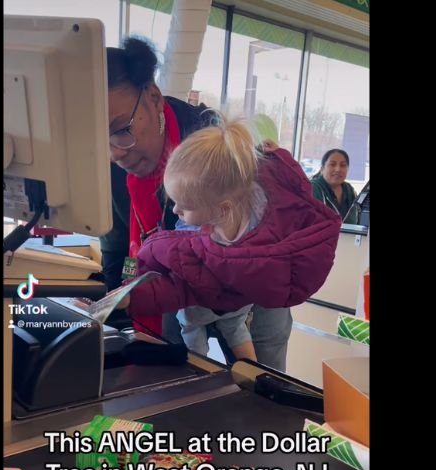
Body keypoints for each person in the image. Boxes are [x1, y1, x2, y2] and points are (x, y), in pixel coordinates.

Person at [100, 36, 295, 371]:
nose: (114, 152)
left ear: (153, 98)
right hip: (178, 284)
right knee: (177, 371)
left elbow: (265, 236)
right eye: (98, 136)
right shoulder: (114, 163)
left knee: (264, 379)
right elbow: (116, 245)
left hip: (251, 280)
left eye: (121, 129)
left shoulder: (209, 140)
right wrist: (106, 307)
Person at [121, 116, 340, 337]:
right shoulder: (250, 187)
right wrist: (278, 157)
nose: (175, 210)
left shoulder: (225, 255)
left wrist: (133, 298)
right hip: (251, 292)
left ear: (221, 210)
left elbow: (182, 288)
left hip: (230, 296)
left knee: (197, 327)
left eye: (185, 206)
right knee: (237, 331)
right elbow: (297, 185)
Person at [173, 220, 255, 363]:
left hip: (199, 299)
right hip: (239, 294)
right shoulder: (244, 216)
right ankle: (256, 375)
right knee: (236, 327)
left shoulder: (191, 223)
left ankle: (201, 372)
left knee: (191, 329)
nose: (176, 210)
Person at [310, 149, 360, 224]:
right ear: (322, 168)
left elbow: (358, 220)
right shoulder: (312, 188)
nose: (338, 169)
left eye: (343, 165)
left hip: (349, 235)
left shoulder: (350, 190)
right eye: (332, 164)